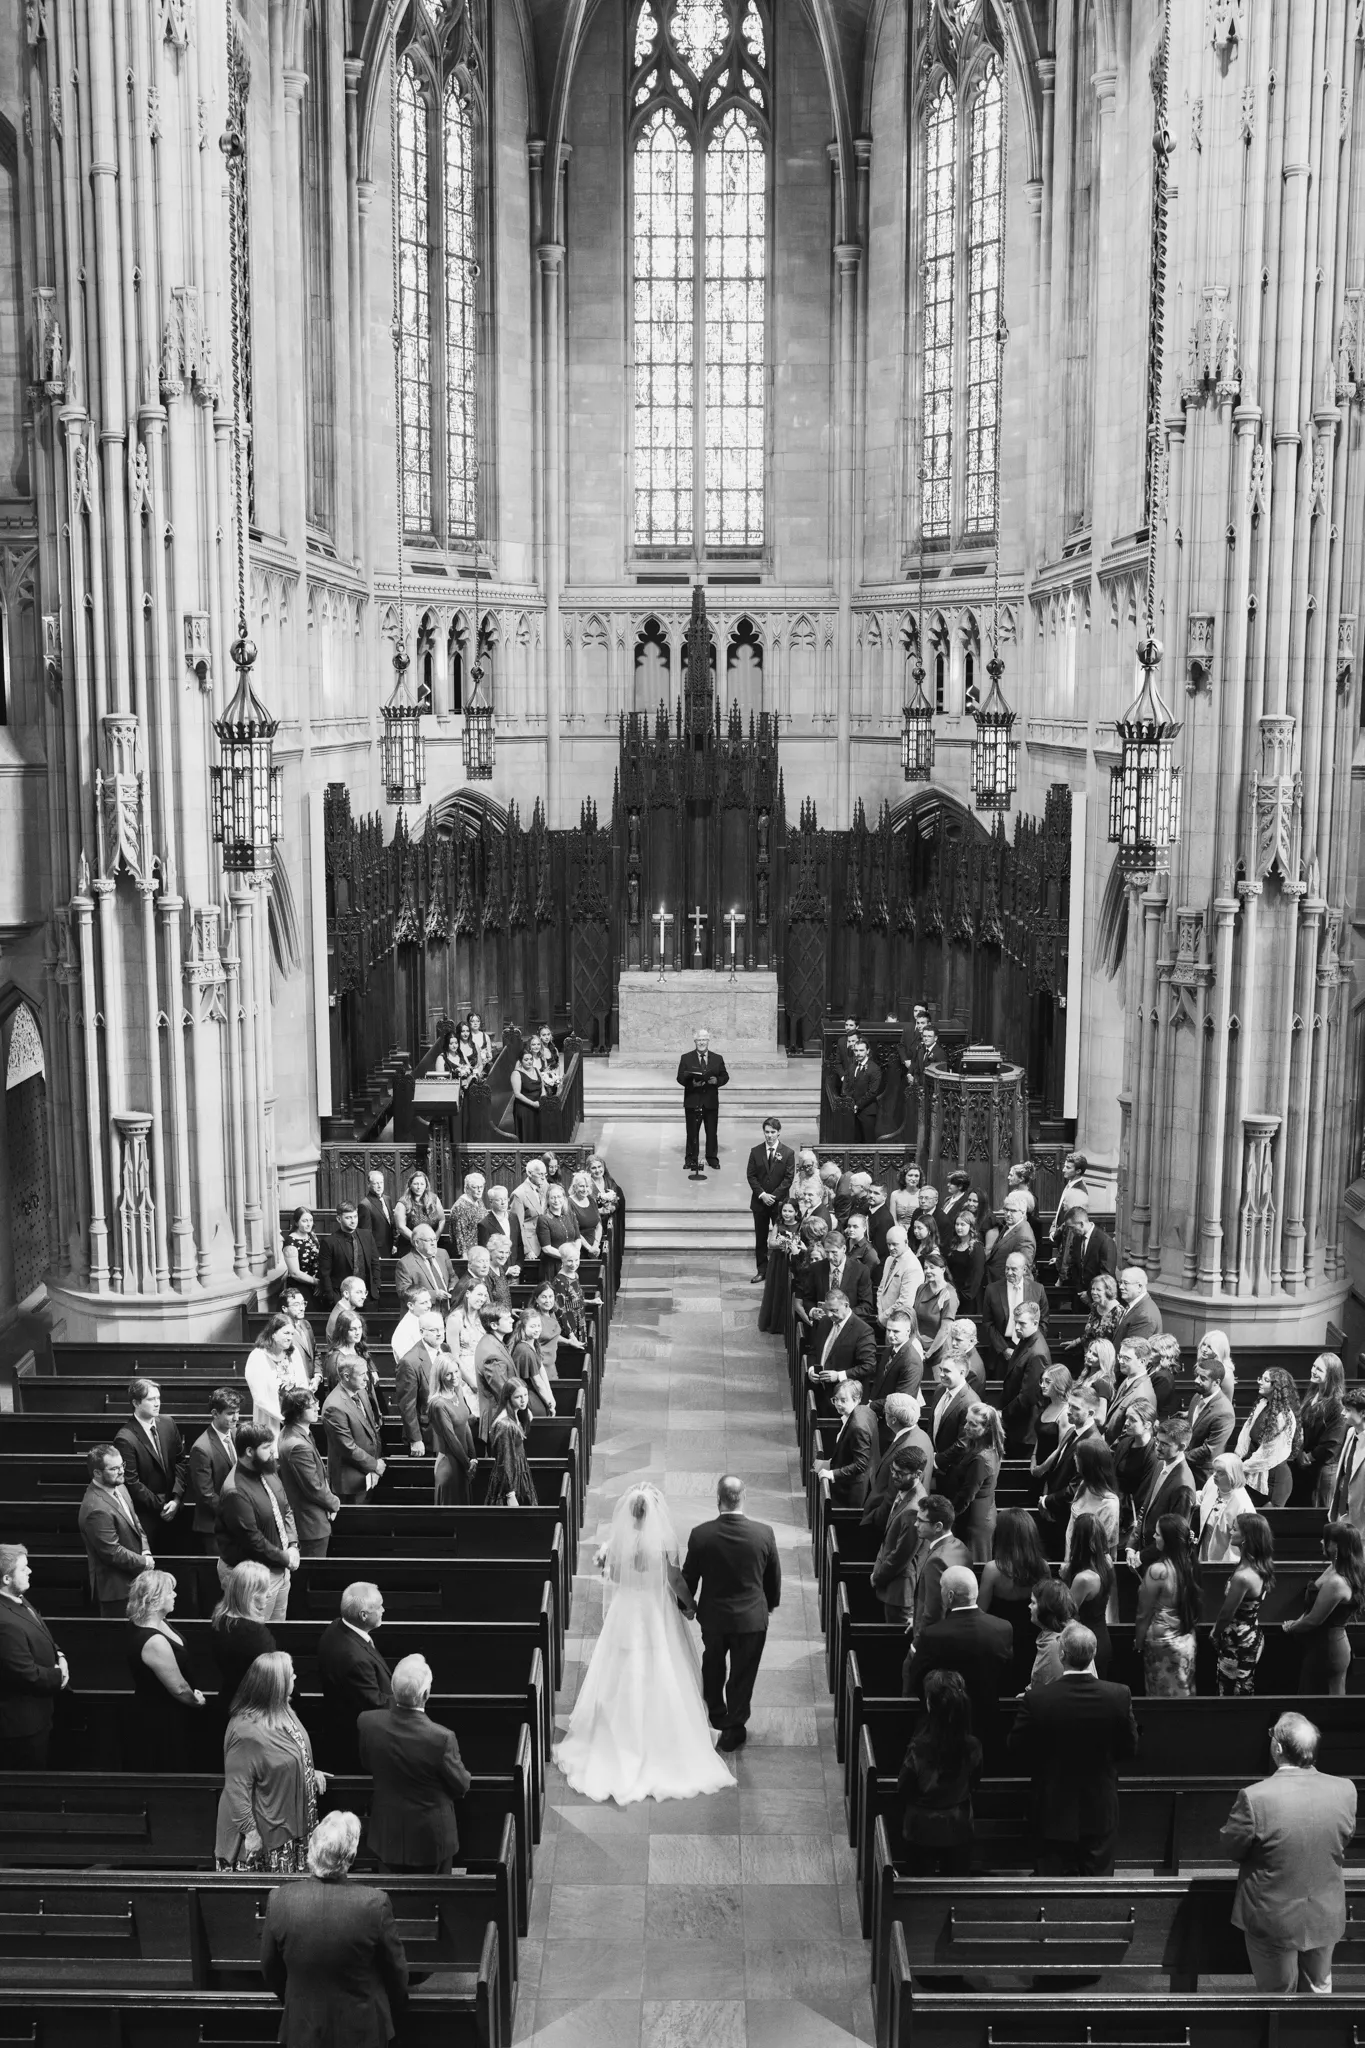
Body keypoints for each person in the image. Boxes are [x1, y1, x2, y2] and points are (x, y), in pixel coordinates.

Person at [554, 1483, 739, 1797]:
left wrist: (607, 1563)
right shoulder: (663, 1540)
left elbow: (612, 1577)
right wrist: (690, 1605)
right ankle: (663, 1735)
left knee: (621, 1667)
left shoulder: (620, 1540)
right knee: (662, 1666)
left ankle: (618, 1732)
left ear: (630, 1514)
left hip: (626, 1611)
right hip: (655, 1611)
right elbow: (675, 1579)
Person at [1219, 1711, 1358, 1994]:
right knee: (1319, 1992)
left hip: (1272, 1917)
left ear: (1278, 1748)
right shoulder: (1345, 1790)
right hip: (1324, 1911)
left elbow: (1231, 1847)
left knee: (1277, 1997)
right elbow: (1343, 1839)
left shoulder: (1255, 1796)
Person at [260, 1807, 409, 2042]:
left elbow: (270, 1969)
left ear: (312, 1850)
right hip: (362, 2030)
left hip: (303, 2028)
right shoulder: (375, 1904)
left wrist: (297, 2000)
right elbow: (397, 1973)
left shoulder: (279, 1900)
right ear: (349, 1857)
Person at [1008, 1619, 1140, 1875]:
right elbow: (1130, 1748)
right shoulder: (1119, 1695)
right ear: (1093, 1654)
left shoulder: (1037, 1699)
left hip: (1052, 1807)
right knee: (1097, 1890)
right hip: (1100, 1805)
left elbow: (1016, 1747)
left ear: (1062, 1654)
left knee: (1051, 1889)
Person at [678, 1476, 781, 1755]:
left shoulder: (701, 1534)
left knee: (712, 1665)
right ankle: (734, 1728)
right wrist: (768, 1606)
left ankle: (715, 1715)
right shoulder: (764, 1533)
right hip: (751, 1620)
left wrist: (684, 1605)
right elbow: (773, 1579)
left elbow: (689, 1577)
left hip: (715, 1618)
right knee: (742, 1674)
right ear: (744, 1496)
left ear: (718, 1499)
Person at [357, 1653, 471, 1873]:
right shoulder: (441, 1738)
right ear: (426, 1694)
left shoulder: (367, 1723)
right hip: (430, 1840)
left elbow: (366, 1762)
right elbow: (461, 1785)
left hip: (386, 1834)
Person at [217, 1651, 323, 1871]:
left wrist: (308, 1772)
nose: (295, 1678)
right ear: (275, 1685)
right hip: (266, 1839)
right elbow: (236, 1789)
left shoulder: (284, 1709)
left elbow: (292, 1752)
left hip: (294, 1827)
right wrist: (251, 1832)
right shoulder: (245, 1731)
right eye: (290, 1675)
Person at [896, 1668, 982, 1875]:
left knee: (919, 1887)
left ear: (929, 1704)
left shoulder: (919, 1748)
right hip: (958, 1827)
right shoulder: (973, 1746)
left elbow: (903, 1787)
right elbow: (974, 1783)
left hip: (921, 1829)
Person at [125, 1568, 207, 1769]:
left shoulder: (157, 1621)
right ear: (156, 1598)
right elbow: (178, 1688)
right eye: (170, 1591)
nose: (175, 1595)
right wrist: (196, 1701)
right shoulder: (153, 1642)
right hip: (162, 1717)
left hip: (171, 1710)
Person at [217, 1423, 300, 1619]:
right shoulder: (235, 1491)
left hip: (280, 1567)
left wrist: (294, 1545)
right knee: (257, 1635)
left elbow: (285, 1507)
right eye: (266, 1447)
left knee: (276, 1630)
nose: (273, 1451)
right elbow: (252, 1540)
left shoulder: (268, 1468)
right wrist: (285, 1557)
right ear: (249, 1451)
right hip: (253, 1577)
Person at [0, 1545, 68, 1768]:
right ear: (7, 1578)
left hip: (40, 1715)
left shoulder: (17, 1600)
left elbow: (40, 1631)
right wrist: (59, 1675)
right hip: (22, 1729)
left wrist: (59, 1653)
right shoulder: (4, 1622)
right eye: (24, 1568)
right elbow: (25, 1674)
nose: (29, 1571)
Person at [1283, 1518, 1365, 1695]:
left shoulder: (1337, 1582)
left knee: (1323, 1702)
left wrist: (1291, 1627)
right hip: (1319, 1647)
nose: (1321, 1542)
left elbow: (1314, 1620)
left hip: (1328, 1651)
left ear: (1335, 1546)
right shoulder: (1334, 1568)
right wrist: (1297, 1621)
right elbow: (1311, 1608)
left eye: (1325, 1539)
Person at [320, 1583, 393, 1769]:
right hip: (357, 1744)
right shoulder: (356, 1660)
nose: (383, 1610)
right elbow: (375, 1703)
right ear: (363, 1615)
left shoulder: (337, 1626)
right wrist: (409, 1697)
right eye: (379, 1606)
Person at [978, 1508, 1050, 1695]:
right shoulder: (1042, 1567)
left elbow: (980, 1613)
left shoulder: (993, 1569)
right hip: (1032, 1641)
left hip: (999, 1642)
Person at [79, 1443, 155, 1614]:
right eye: (114, 1468)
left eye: (122, 1465)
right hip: (117, 1591)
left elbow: (136, 1522)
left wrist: (146, 1551)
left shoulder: (120, 1486)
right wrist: (144, 1562)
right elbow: (112, 1552)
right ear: (97, 1473)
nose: (121, 1471)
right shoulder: (95, 1508)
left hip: (136, 1581)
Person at [1135, 1513, 1199, 1698]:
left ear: (1168, 1540)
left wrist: (1138, 1643)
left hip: (1162, 1644)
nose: (1154, 1537)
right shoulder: (1190, 1565)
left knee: (1161, 1698)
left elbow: (1143, 1614)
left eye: (1157, 1534)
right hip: (1186, 1639)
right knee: (1183, 1693)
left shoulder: (1158, 1571)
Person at [1212, 1512, 1274, 1697]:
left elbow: (1226, 1613)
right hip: (1250, 1634)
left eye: (1235, 1529)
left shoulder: (1243, 1576)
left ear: (1247, 1537)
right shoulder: (1257, 1565)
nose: (1231, 1531)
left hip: (1237, 1642)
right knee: (1242, 1686)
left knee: (1232, 1692)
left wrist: (1215, 1633)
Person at [115, 1378, 189, 1530]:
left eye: (158, 1398)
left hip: (175, 1508)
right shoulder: (125, 1438)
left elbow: (181, 1462)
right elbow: (132, 1482)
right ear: (136, 1403)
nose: (157, 1403)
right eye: (151, 1399)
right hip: (146, 1517)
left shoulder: (168, 1423)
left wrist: (176, 1499)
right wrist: (161, 1506)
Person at [278, 1389, 341, 1558]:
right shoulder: (297, 1445)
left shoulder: (293, 1432)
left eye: (316, 1404)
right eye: (311, 1406)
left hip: (309, 1518)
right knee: (313, 1575)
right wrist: (334, 1502)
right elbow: (313, 1486)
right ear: (297, 1411)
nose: (317, 1408)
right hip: (310, 1524)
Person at [869, 1447, 929, 1623]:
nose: (894, 1475)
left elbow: (901, 1556)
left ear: (917, 1474)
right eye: (892, 1470)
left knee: (896, 1638)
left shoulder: (913, 1510)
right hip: (892, 1584)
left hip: (900, 1590)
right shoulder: (904, 1489)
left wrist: (877, 1577)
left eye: (900, 1473)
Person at [211, 1560, 279, 1705]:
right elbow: (274, 1679)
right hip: (253, 1706)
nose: (270, 1594)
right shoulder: (255, 1635)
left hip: (229, 1697)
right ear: (251, 1595)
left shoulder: (220, 1619)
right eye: (265, 1590)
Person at [944, 1403, 1003, 1565]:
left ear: (987, 1428)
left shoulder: (981, 1459)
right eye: (967, 1421)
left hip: (973, 1522)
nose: (966, 1427)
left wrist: (947, 1519)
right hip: (983, 1511)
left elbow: (966, 1495)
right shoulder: (986, 1447)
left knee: (970, 1567)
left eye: (973, 1424)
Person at [322, 1357, 388, 1501]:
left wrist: (375, 1465)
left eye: (366, 1373)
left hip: (369, 1474)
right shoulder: (334, 1407)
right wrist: (375, 1465)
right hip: (350, 1483)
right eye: (361, 1374)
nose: (366, 1379)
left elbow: (372, 1430)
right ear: (346, 1376)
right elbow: (347, 1447)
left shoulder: (361, 1391)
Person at [1235, 1366, 1301, 1507]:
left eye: (1265, 1380)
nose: (1260, 1382)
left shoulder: (1284, 1416)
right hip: (1256, 1472)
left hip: (1274, 1480)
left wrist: (1241, 1466)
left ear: (1275, 1386)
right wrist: (1237, 1457)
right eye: (1261, 1378)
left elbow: (1269, 1454)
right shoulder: (1263, 1405)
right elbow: (1245, 1435)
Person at [1062, 1512, 1115, 1679]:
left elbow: (1065, 1614)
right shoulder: (1107, 1562)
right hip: (1101, 1636)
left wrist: (1064, 1580)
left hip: (1083, 1645)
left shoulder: (1083, 1579)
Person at [188, 1389, 242, 1552]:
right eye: (230, 1413)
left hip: (236, 1523)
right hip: (215, 1527)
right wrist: (236, 1513)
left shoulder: (235, 1433)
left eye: (238, 1412)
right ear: (215, 1413)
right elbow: (206, 1494)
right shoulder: (201, 1448)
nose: (236, 1418)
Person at [909, 1494, 970, 1637]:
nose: (915, 1524)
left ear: (938, 1526)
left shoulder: (936, 1561)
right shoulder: (961, 1547)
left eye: (920, 1520)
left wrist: (915, 1647)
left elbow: (933, 1615)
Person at [245, 1316, 314, 1435]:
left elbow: (303, 1384)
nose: (290, 1338)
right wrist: (284, 1419)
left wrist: (300, 1414)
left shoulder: (294, 1353)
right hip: (271, 1421)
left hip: (296, 1419)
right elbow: (260, 1398)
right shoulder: (258, 1357)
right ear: (273, 1333)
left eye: (292, 1334)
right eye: (286, 1333)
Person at [999, 1301, 1051, 1457]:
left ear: (1035, 1323)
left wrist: (1003, 1415)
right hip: (1017, 1423)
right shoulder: (1026, 1340)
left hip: (1024, 1429)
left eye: (1022, 1323)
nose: (1016, 1327)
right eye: (1015, 1322)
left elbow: (1027, 1396)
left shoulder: (1037, 1353)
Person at [746, 1116, 795, 1282]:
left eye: (773, 1132)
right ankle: (762, 1270)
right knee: (760, 1239)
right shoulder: (755, 1151)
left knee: (781, 1237)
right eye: (767, 1132)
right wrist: (762, 1194)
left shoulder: (788, 1153)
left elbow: (789, 1178)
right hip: (760, 1202)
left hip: (779, 1204)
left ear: (779, 1132)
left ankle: (779, 1271)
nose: (769, 1135)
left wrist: (774, 1196)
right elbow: (751, 1176)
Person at [981, 1253, 1048, 1370]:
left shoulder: (1038, 1290)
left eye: (1014, 1269)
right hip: (1001, 1349)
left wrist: (1030, 1346)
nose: (1009, 1272)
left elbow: (1043, 1321)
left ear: (1024, 1269)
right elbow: (988, 1323)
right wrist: (1004, 1349)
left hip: (1028, 1348)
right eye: (1007, 1268)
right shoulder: (992, 1290)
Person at [675, 1027, 729, 1172]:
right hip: (693, 1100)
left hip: (710, 1101)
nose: (702, 1042)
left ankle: (712, 1159)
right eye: (699, 1039)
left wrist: (716, 1081)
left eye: (704, 1039)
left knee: (711, 1132)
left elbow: (725, 1076)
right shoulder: (686, 1058)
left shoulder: (717, 1058)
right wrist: (692, 1083)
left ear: (708, 1041)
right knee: (692, 1132)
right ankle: (691, 1159)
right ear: (695, 1041)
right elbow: (680, 1077)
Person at [1297, 1355, 1347, 1507]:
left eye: (1319, 1369)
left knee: (1321, 1512)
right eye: (1313, 1366)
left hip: (1325, 1468)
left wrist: (1309, 1457)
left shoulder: (1338, 1405)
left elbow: (1332, 1442)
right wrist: (1299, 1452)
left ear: (1331, 1375)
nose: (1313, 1371)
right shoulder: (1313, 1394)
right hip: (1306, 1463)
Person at [1185, 1345, 1237, 1486]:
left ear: (1217, 1382)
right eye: (1196, 1376)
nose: (1196, 1381)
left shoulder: (1224, 1412)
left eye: (1202, 1378)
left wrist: (1180, 1456)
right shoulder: (1198, 1396)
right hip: (1188, 1466)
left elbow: (1209, 1449)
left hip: (1203, 1473)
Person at [428, 1359, 476, 1505]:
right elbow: (451, 1439)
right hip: (450, 1465)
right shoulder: (438, 1404)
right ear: (440, 1376)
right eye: (448, 1374)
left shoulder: (456, 1392)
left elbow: (465, 1424)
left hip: (463, 1462)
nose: (454, 1377)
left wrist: (474, 1457)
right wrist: (468, 1464)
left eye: (456, 1371)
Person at [1065, 1432, 1121, 1555]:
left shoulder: (1109, 1503)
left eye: (1078, 1455)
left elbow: (1101, 1546)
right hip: (1073, 1557)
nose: (1074, 1458)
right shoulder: (1083, 1486)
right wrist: (1067, 1560)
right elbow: (1070, 1530)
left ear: (1089, 1463)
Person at [1195, 1451, 1256, 1564]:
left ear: (1232, 1475)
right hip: (1204, 1543)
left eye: (1220, 1472)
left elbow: (1240, 1544)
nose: (1214, 1475)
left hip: (1225, 1557)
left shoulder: (1242, 1503)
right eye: (1214, 1470)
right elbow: (1202, 1498)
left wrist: (1224, 1568)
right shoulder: (1212, 1484)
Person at [317, 1201, 379, 1307]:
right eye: (348, 1218)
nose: (353, 1221)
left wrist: (377, 1287)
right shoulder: (329, 1242)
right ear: (338, 1219)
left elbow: (375, 1263)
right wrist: (331, 1297)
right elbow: (325, 1274)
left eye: (355, 1216)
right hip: (341, 1298)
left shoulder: (367, 1235)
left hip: (367, 1297)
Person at [485, 1378, 535, 1505]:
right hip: (509, 1478)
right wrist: (510, 1494)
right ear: (508, 1398)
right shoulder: (505, 1425)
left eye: (525, 1395)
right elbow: (505, 1459)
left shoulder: (517, 1414)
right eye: (518, 1397)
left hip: (518, 1469)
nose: (523, 1400)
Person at [1326, 1388, 1365, 1529]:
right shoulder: (1350, 1432)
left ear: (1363, 1413)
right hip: (1344, 1511)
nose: (1343, 1413)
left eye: (1348, 1410)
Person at [1027, 1578, 1076, 1690]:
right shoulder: (1067, 1629)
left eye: (1033, 1603)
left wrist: (1032, 1694)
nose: (1029, 1606)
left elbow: (1053, 1689)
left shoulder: (1056, 1644)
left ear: (1046, 1608)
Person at [1110, 1266, 1163, 1348]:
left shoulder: (1144, 1315)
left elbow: (1132, 1353)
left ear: (1139, 1287)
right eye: (1120, 1282)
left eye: (1126, 1283)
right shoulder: (1134, 1305)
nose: (1121, 1287)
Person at [392, 1169, 445, 1251]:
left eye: (422, 1184)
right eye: (416, 1184)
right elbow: (401, 1227)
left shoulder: (434, 1199)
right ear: (410, 1185)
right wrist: (419, 1241)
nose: (419, 1187)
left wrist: (435, 1237)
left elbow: (442, 1220)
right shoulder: (402, 1203)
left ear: (426, 1185)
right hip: (410, 1246)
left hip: (432, 1245)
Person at [282, 1205, 322, 1302]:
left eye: (311, 1220)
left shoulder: (311, 1235)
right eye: (304, 1221)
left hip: (316, 1282)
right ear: (296, 1223)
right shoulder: (291, 1242)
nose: (309, 1224)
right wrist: (317, 1282)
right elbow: (295, 1273)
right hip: (300, 1286)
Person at [358, 1169, 396, 1258]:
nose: (379, 1186)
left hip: (391, 1247)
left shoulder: (387, 1199)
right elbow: (366, 1234)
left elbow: (391, 1224)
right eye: (375, 1183)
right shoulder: (364, 1205)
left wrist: (395, 1243)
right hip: (377, 1251)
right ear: (368, 1185)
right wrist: (373, 1253)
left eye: (381, 1183)